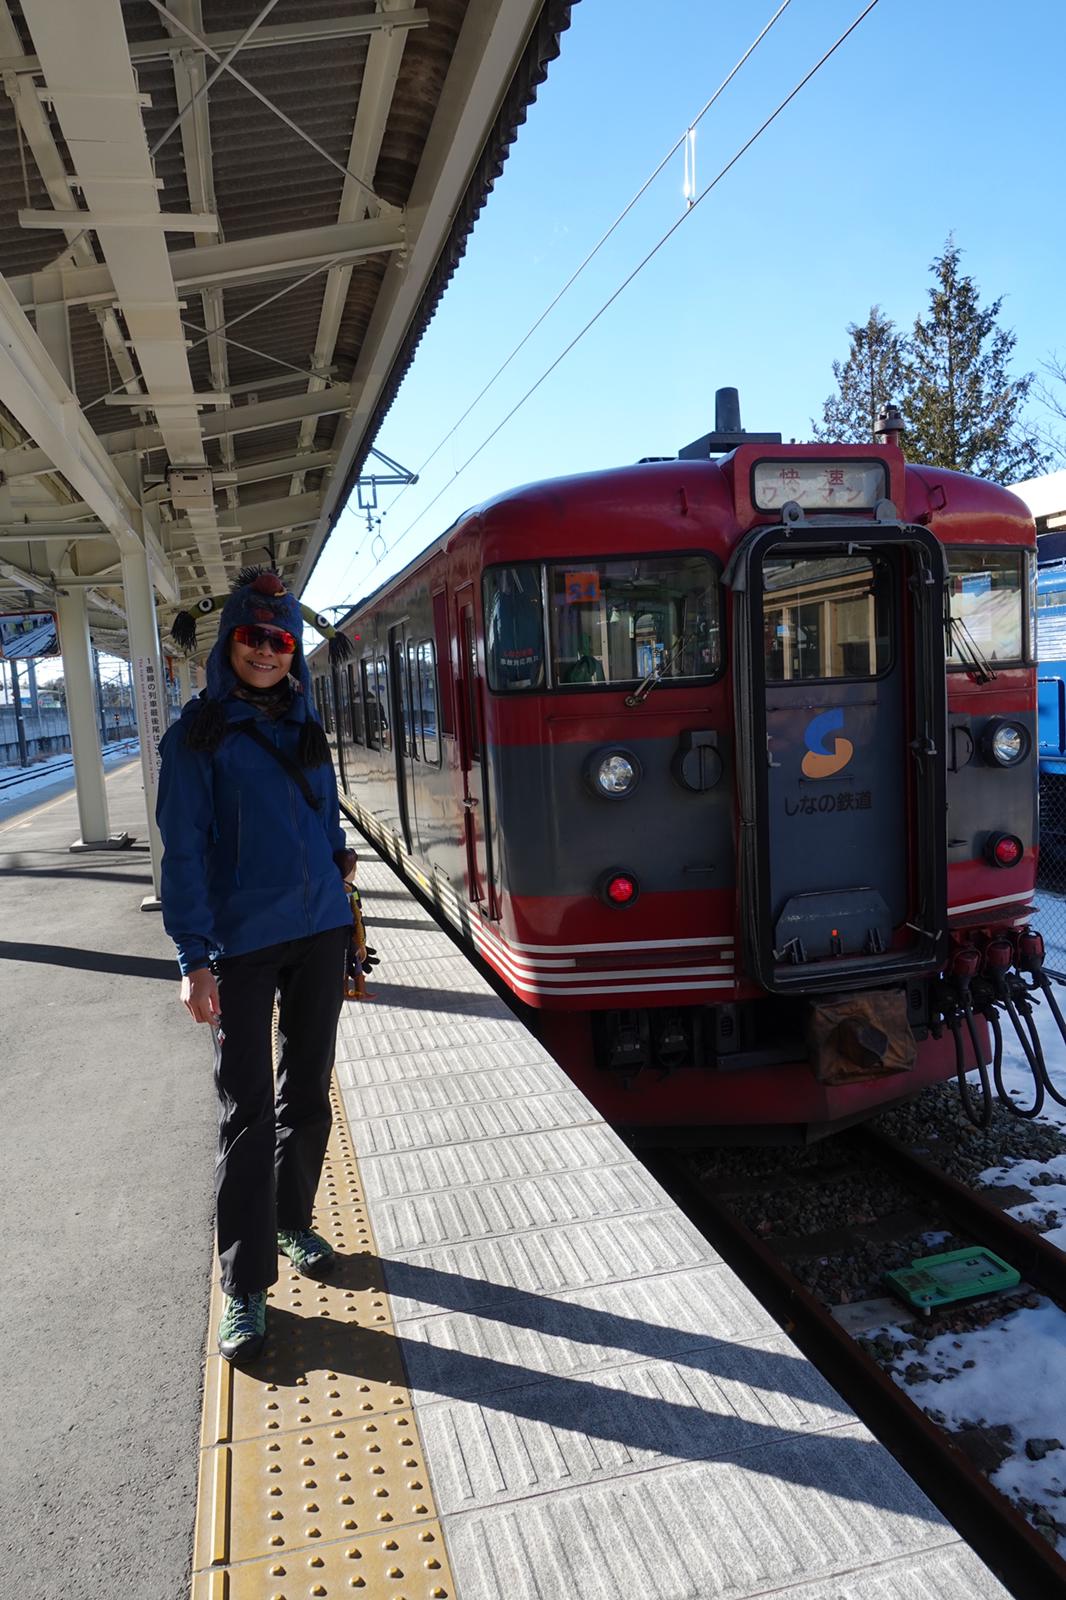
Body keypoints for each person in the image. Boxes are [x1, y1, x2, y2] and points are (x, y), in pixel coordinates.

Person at [157, 568, 354, 1363]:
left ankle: (292, 1220)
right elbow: (184, 853)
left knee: (306, 1088)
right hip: (238, 944)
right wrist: (192, 957)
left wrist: (340, 871)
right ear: (228, 642)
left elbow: (328, 813)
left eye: (280, 641)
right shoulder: (196, 736)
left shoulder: (307, 724)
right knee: (247, 1111)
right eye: (252, 637)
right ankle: (245, 1286)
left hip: (320, 932)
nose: (267, 652)